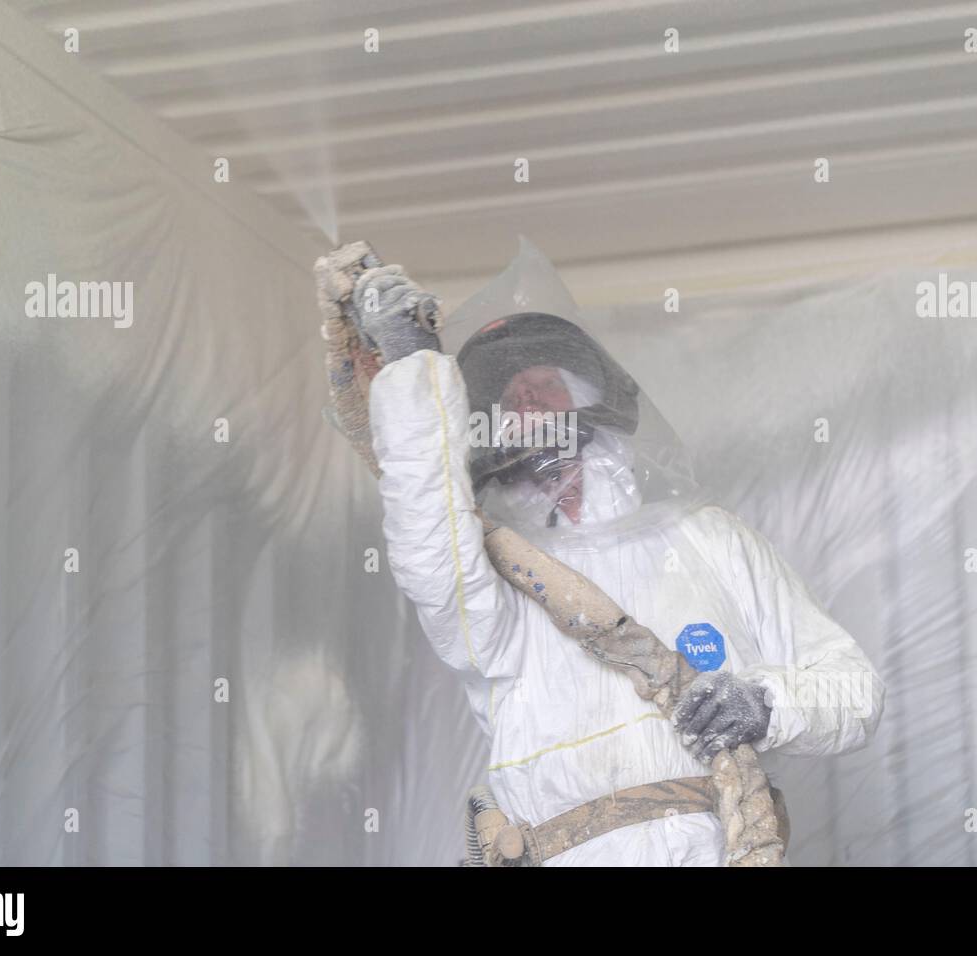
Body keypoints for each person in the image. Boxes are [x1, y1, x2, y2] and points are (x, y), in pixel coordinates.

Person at [356, 269, 884, 866]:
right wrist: (410, 370)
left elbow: (854, 689)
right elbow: (431, 546)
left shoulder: (709, 540)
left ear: (589, 397)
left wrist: (766, 704)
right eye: (508, 398)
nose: (525, 402)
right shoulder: (499, 581)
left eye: (542, 383)